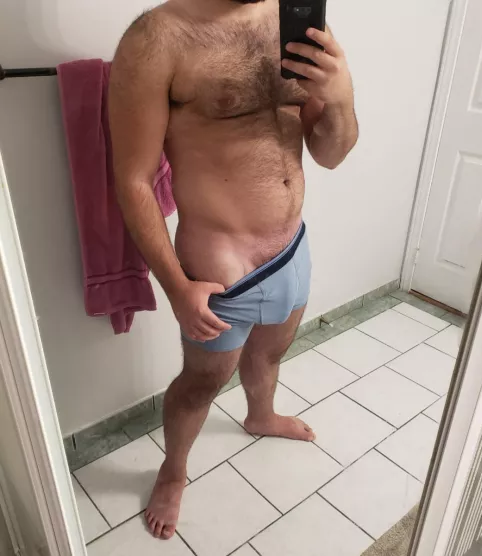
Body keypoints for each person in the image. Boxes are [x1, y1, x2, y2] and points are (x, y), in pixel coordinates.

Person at [109, 0, 358, 540]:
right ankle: (173, 471)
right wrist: (176, 287)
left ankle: (260, 415)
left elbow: (330, 153)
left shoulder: (295, 17)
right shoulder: (157, 38)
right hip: (219, 268)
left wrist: (341, 97)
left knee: (270, 353)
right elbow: (133, 180)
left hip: (292, 247)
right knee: (201, 384)